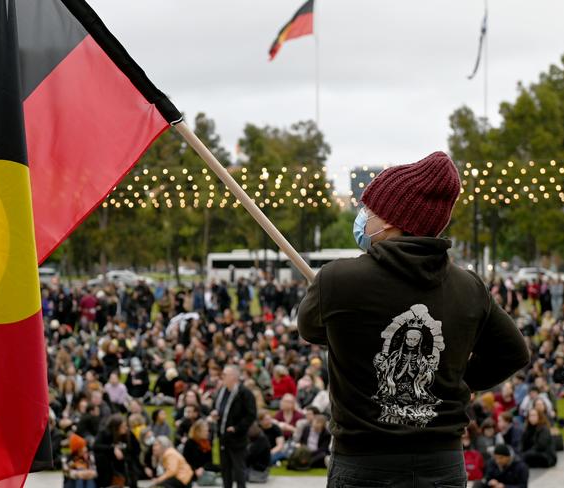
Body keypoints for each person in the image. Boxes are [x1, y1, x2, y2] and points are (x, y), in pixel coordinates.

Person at [297, 152, 530, 487]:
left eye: (369, 210)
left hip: (364, 464)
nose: (364, 217)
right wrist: (457, 380)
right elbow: (513, 352)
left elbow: (312, 329)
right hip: (441, 465)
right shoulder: (468, 287)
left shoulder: (338, 279)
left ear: (391, 220)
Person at [213, 365, 256, 488]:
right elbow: (218, 407)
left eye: (225, 375)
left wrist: (237, 428)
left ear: (234, 377)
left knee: (238, 469)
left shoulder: (244, 393)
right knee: (225, 468)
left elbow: (251, 415)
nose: (223, 377)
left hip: (237, 438)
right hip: (223, 435)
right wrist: (215, 413)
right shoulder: (222, 391)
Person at [93, 414, 140, 487]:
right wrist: (113, 448)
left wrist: (125, 454)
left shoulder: (129, 434)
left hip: (126, 464)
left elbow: (137, 449)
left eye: (125, 426)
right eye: (122, 426)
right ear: (115, 427)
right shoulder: (105, 433)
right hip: (109, 465)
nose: (125, 428)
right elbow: (96, 446)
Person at [182, 419, 218, 486]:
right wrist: (195, 470)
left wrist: (202, 468)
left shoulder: (207, 443)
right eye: (205, 431)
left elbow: (210, 462)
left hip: (204, 471)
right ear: (198, 431)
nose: (207, 433)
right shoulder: (190, 443)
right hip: (191, 472)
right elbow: (186, 462)